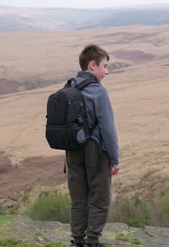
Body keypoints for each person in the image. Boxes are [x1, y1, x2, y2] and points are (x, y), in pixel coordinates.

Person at [66, 44, 120, 247]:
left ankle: (77, 241)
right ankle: (93, 241)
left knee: (78, 198)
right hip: (95, 150)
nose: (106, 71)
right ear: (92, 65)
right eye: (104, 66)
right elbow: (108, 129)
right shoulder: (98, 91)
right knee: (100, 197)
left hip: (72, 151)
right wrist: (114, 158)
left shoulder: (69, 87)